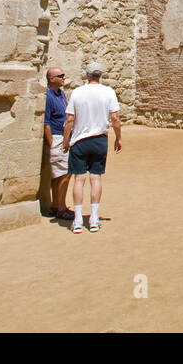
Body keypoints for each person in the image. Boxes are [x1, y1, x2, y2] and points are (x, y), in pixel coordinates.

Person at [62, 61, 123, 234]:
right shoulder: (108, 92)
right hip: (99, 140)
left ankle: (78, 219)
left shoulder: (77, 92)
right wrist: (118, 138)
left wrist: (66, 141)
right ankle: (94, 218)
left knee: (79, 179)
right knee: (96, 178)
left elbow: (69, 120)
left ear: (87, 75)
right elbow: (115, 118)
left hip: (80, 140)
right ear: (100, 75)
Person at [42, 67, 74, 220]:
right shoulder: (48, 96)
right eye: (60, 76)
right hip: (57, 138)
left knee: (59, 175)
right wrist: (52, 143)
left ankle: (56, 205)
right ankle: (61, 208)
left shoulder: (61, 94)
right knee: (65, 174)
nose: (64, 77)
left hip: (63, 137)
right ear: (51, 79)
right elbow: (46, 123)